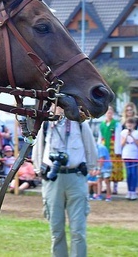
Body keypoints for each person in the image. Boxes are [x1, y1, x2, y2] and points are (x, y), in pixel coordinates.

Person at [32, 108, 98, 257]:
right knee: (56, 231)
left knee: (78, 231)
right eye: (58, 104)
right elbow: (37, 149)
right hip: (52, 179)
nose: (61, 108)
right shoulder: (46, 125)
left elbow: (90, 147)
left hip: (76, 178)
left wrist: (91, 166)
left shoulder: (81, 124)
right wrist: (38, 169)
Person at [98, 105, 122, 195]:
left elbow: (118, 137)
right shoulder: (102, 124)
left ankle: (115, 188)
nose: (109, 114)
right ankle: (106, 187)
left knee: (114, 167)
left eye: (111, 112)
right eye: (108, 112)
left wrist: (118, 150)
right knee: (105, 168)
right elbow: (100, 137)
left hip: (113, 147)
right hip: (105, 147)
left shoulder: (116, 124)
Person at [120, 116, 138, 200]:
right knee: (128, 173)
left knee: (134, 173)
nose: (130, 125)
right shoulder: (123, 132)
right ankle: (129, 191)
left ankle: (133, 191)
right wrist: (127, 135)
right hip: (126, 154)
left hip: (135, 154)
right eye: (128, 123)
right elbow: (122, 144)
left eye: (131, 123)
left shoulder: (136, 133)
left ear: (134, 124)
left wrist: (132, 136)